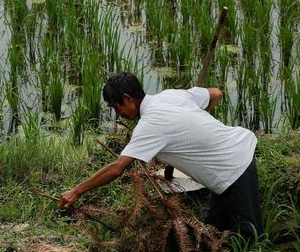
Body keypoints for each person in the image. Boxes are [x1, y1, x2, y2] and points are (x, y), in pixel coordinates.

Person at [57, 72, 262, 243]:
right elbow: (216, 93)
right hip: (228, 161)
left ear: (128, 99)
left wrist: (77, 191)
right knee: (212, 228)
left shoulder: (149, 126)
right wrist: (197, 124)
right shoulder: (170, 95)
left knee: (248, 237)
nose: (118, 114)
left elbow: (117, 168)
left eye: (116, 107)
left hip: (234, 166)